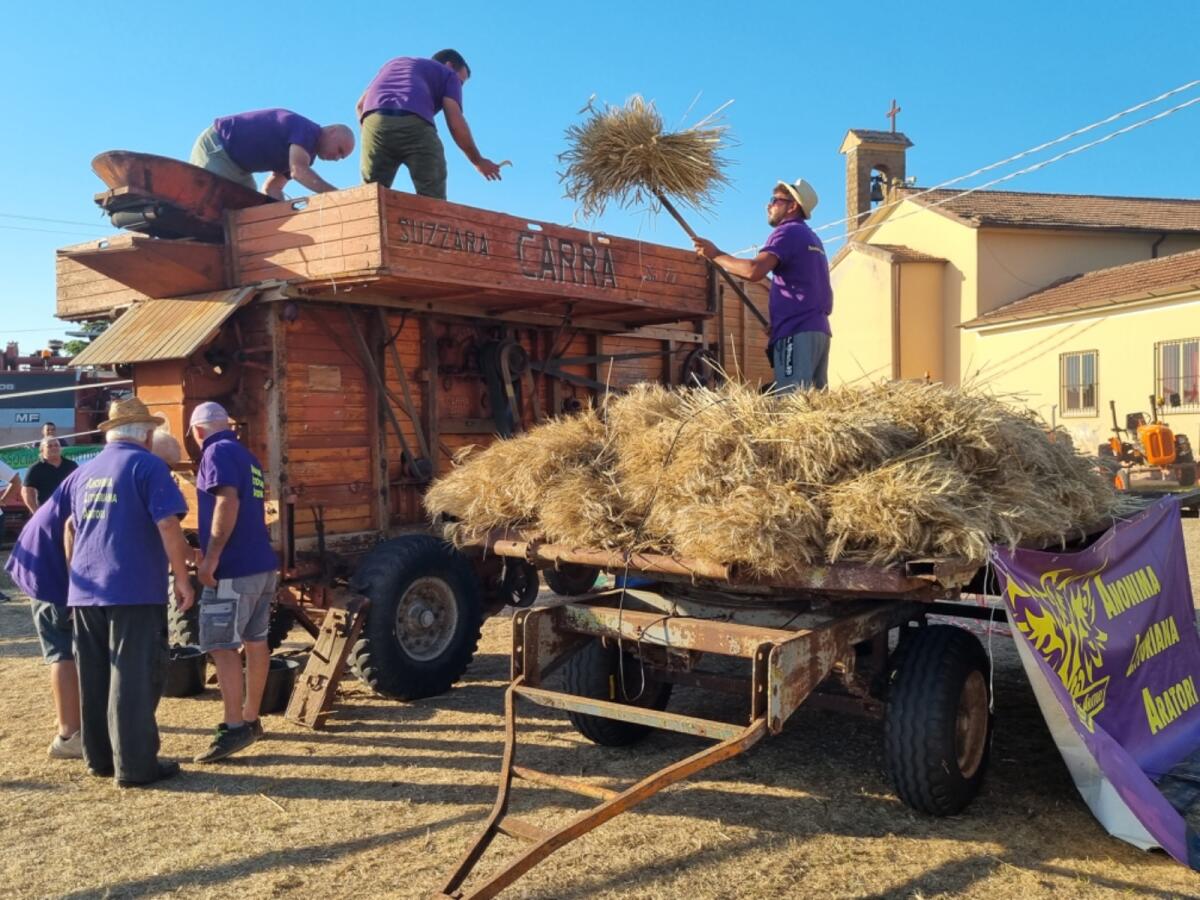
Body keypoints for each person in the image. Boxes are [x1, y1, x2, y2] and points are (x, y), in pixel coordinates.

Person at [5, 430, 191, 762]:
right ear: (148, 448)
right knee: (63, 650)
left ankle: (96, 735)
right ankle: (70, 735)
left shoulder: (102, 470)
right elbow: (70, 530)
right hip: (48, 564)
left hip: (70, 567)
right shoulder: (137, 468)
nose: (169, 477)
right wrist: (76, 584)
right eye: (169, 467)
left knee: (86, 655)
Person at [64, 397, 194, 787]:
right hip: (133, 587)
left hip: (86, 589)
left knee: (94, 674)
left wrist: (76, 574)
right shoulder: (147, 465)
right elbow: (169, 526)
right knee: (134, 676)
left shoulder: (84, 471)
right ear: (148, 435)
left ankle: (100, 758)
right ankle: (136, 766)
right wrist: (183, 579)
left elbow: (70, 527)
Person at [188, 403, 279, 763]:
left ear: (197, 431)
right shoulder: (247, 457)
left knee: (222, 646)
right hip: (262, 566)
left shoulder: (215, 452)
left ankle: (233, 727)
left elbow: (226, 503)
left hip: (234, 569)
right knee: (256, 642)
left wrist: (211, 558)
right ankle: (251, 718)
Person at [693, 179, 833, 391]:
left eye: (774, 200)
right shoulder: (812, 238)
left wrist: (715, 255)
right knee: (812, 403)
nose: (768, 205)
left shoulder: (788, 232)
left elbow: (753, 271)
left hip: (796, 332)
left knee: (791, 403)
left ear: (792, 206)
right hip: (818, 331)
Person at [357, 49, 503, 199]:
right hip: (414, 124)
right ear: (449, 65)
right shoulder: (449, 74)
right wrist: (478, 161)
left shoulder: (395, 63)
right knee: (432, 197)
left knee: (371, 195)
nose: (459, 87)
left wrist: (371, 136)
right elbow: (455, 122)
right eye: (461, 82)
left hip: (374, 121)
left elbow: (360, 106)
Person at [190, 109, 355, 200]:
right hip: (219, 148)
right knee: (211, 205)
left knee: (249, 209)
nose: (337, 158)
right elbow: (299, 172)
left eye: (342, 158)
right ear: (332, 132)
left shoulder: (304, 153)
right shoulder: (308, 131)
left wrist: (285, 216)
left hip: (238, 167)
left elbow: (272, 188)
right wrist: (340, 197)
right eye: (340, 150)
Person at [22, 437, 78, 513]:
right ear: (42, 450)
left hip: (70, 510)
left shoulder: (71, 465)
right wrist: (36, 513)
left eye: (56, 445)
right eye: (49, 446)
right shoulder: (35, 468)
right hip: (47, 512)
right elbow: (26, 492)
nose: (54, 448)